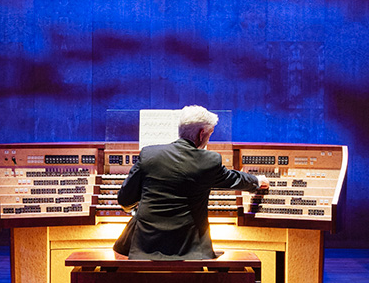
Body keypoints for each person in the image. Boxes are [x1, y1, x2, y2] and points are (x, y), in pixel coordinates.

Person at [113, 105, 268, 260]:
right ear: (202, 134)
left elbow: (124, 200)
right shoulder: (208, 161)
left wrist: (139, 204)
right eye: (210, 134)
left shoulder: (149, 154)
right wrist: (257, 181)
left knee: (120, 250)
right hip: (189, 248)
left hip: (144, 246)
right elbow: (234, 179)